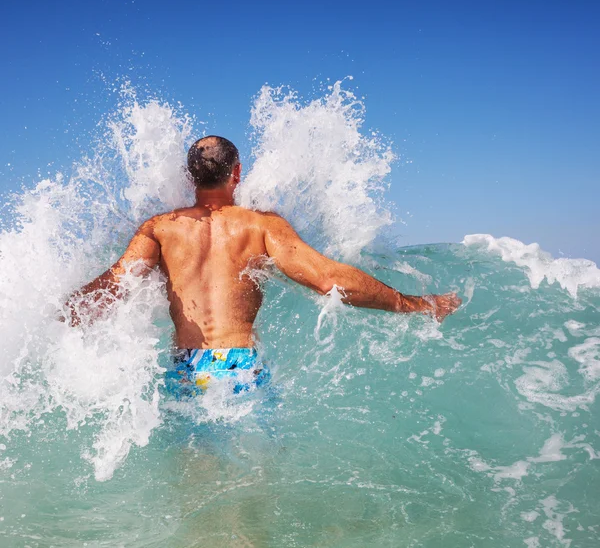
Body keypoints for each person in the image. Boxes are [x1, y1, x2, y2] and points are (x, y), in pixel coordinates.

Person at [65, 136, 461, 396]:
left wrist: (51, 317)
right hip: (238, 365)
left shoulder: (160, 229)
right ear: (236, 173)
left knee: (194, 485)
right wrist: (416, 304)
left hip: (186, 368)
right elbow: (328, 280)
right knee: (251, 486)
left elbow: (113, 288)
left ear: (190, 176)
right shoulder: (261, 226)